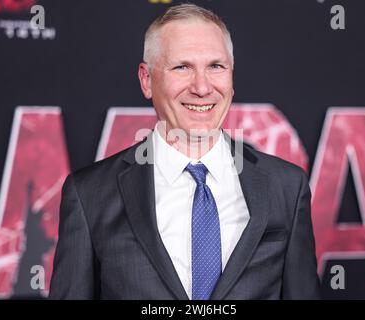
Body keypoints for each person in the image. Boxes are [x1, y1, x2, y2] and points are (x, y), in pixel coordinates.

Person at [49, 3, 320, 300]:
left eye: (216, 66)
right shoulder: (89, 195)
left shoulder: (286, 187)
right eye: (182, 67)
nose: (202, 88)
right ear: (147, 80)